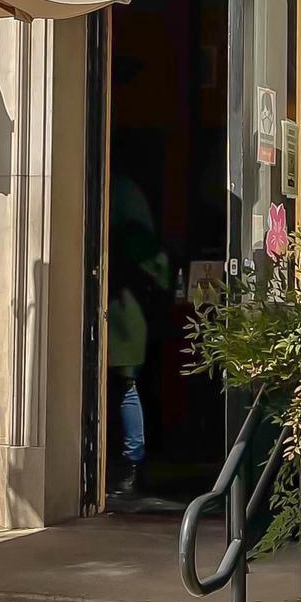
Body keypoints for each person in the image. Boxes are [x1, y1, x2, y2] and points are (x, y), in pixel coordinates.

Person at [106, 171, 171, 506]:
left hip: (123, 308)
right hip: (126, 309)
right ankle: (131, 464)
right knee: (124, 388)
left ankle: (132, 465)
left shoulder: (119, 193)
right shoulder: (128, 194)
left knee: (124, 388)